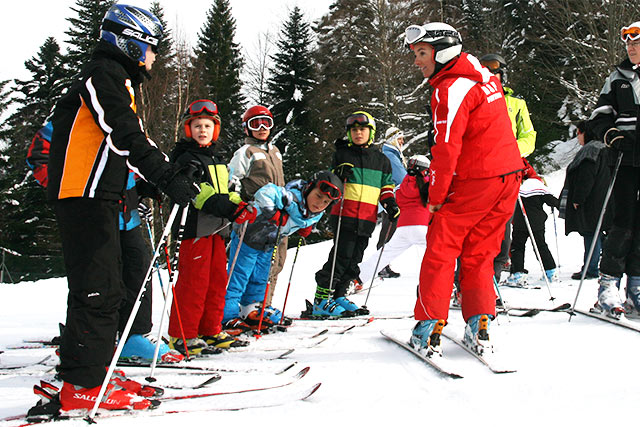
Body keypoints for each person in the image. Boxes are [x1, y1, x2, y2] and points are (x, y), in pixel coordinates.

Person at [45, 4, 200, 412]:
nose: (154, 56)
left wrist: (150, 183)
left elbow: (112, 150)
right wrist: (166, 175)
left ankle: (91, 371)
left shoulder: (117, 79)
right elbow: (123, 132)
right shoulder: (102, 75)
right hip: (83, 199)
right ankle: (82, 388)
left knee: (105, 290)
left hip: (101, 198)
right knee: (97, 291)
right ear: (128, 43)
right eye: (150, 47)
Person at [404, 22, 522, 355]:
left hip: (477, 179)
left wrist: (437, 198)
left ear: (443, 52)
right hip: (507, 178)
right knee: (481, 253)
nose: (417, 62)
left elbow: (446, 148)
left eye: (422, 53)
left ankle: (428, 327)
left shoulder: (450, 88)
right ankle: (479, 325)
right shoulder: (486, 78)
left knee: (440, 250)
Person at [27, 123, 182, 364]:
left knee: (137, 269)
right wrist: (71, 192)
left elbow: (129, 159)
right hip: (91, 214)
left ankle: (133, 336)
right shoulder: (72, 112)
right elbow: (39, 157)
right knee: (97, 280)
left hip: (125, 214)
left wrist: (142, 185)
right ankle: (87, 342)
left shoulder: (120, 114)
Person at [167, 99, 256, 356]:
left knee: (217, 282)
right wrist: (229, 208)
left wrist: (241, 204)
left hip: (219, 230)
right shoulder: (185, 158)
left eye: (207, 126)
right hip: (195, 229)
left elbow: (227, 189)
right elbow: (200, 193)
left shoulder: (215, 158)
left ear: (214, 130)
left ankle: (210, 329)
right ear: (188, 129)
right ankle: (183, 335)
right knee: (194, 283)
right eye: (197, 126)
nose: (202, 131)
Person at [223, 171, 344, 329]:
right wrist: (272, 212)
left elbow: (308, 221)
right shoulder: (290, 197)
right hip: (249, 236)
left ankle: (251, 310)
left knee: (261, 277)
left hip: (268, 244)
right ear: (309, 188)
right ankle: (227, 315)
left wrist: (307, 227)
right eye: (318, 196)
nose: (320, 203)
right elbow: (265, 192)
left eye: (326, 201)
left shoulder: (315, 213)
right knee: (239, 276)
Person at [310, 111, 398, 317]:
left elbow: (386, 186)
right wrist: (338, 175)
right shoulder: (342, 154)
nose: (358, 133)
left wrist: (390, 203)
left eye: (362, 129)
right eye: (354, 130)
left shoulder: (381, 160)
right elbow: (331, 181)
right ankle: (322, 298)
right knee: (341, 256)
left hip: (367, 217)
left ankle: (339, 294)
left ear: (371, 132)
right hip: (345, 214)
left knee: (355, 258)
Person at [588, 21, 640, 318]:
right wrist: (611, 134)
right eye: (628, 44)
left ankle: (636, 285)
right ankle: (608, 285)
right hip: (624, 157)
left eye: (636, 43)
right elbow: (599, 116)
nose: (631, 48)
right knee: (622, 222)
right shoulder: (618, 78)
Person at [228, 105, 287, 326]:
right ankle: (232, 310)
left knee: (274, 262)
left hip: (278, 217)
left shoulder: (275, 151)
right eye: (255, 124)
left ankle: (259, 306)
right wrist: (238, 206)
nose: (262, 128)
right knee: (245, 266)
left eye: (266, 123)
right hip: (256, 216)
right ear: (247, 129)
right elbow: (232, 180)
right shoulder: (245, 153)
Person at [480, 53, 537, 281]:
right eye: (486, 73)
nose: (491, 77)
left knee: (502, 227)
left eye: (496, 73)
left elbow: (529, 136)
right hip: (479, 173)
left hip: (507, 172)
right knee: (476, 228)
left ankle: (492, 278)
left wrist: (510, 151)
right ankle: (465, 283)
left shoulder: (516, 104)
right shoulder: (473, 99)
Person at [358, 155, 431, 285]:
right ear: (425, 170)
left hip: (403, 228)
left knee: (384, 255)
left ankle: (357, 279)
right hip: (423, 226)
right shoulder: (428, 184)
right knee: (439, 255)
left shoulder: (402, 186)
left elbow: (395, 202)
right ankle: (447, 283)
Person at [559, 121, 611, 281]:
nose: (577, 138)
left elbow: (586, 177)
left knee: (591, 234)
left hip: (592, 201)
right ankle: (601, 265)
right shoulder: (604, 149)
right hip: (605, 199)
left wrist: (578, 198)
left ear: (584, 132)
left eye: (578, 133)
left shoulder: (590, 151)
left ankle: (590, 268)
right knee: (599, 233)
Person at [505, 159, 559, 287]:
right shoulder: (537, 185)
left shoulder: (516, 185)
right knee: (540, 246)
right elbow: (552, 200)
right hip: (537, 223)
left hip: (520, 222)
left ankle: (517, 273)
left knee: (518, 247)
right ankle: (550, 271)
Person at [375, 126, 409, 279]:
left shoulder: (393, 154)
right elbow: (402, 178)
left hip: (391, 198)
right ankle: (380, 265)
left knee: (389, 231)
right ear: (393, 139)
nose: (402, 142)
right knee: (388, 231)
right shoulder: (390, 154)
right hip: (390, 200)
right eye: (400, 139)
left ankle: (382, 264)